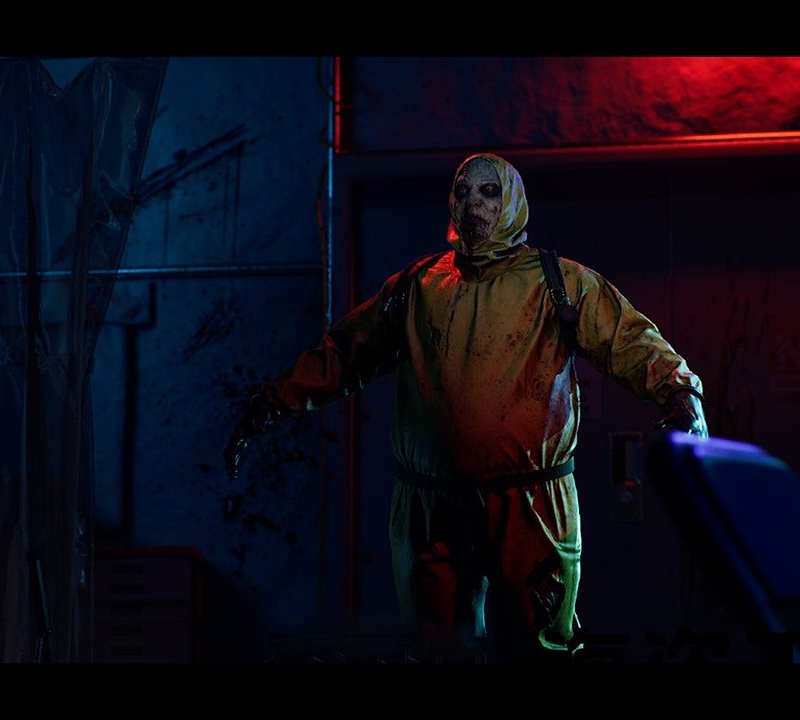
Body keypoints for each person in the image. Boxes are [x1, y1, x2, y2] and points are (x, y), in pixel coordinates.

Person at [225, 152, 706, 662]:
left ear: (512, 201)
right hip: (432, 508)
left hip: (530, 504)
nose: (473, 202)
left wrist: (680, 394)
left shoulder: (559, 284)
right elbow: (344, 354)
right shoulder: (417, 287)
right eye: (463, 191)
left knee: (540, 647)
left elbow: (629, 340)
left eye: (489, 192)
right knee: (440, 650)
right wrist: (273, 401)